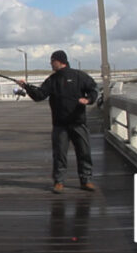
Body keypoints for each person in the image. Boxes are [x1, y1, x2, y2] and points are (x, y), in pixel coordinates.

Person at [16, 50, 98, 194]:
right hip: (60, 124)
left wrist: (88, 100)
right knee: (59, 154)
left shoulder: (79, 76)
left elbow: (93, 89)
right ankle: (59, 182)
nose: (50, 63)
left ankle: (86, 180)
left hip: (78, 122)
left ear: (60, 61)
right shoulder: (52, 79)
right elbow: (40, 95)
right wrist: (26, 87)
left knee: (84, 152)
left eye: (52, 60)